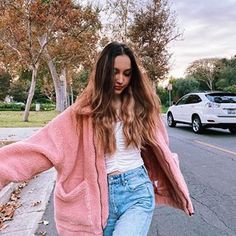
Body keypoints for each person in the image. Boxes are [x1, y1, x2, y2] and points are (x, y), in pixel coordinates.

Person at [0, 42, 194, 236]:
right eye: (114, 72)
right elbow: (37, 148)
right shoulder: (79, 114)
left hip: (138, 192)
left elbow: (162, 149)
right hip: (99, 200)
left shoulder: (143, 108)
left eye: (127, 73)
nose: (120, 79)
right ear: (102, 72)